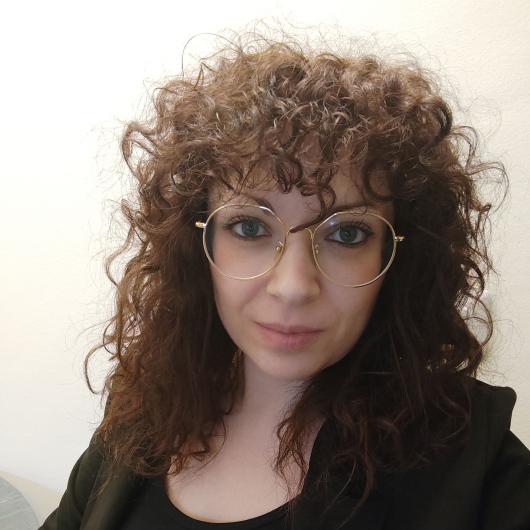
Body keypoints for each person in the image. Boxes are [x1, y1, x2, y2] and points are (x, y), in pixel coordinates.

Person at [39, 30, 530, 530]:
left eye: (348, 233)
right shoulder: (142, 414)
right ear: (197, 244)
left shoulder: (477, 464)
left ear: (397, 253)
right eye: (250, 228)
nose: (293, 286)